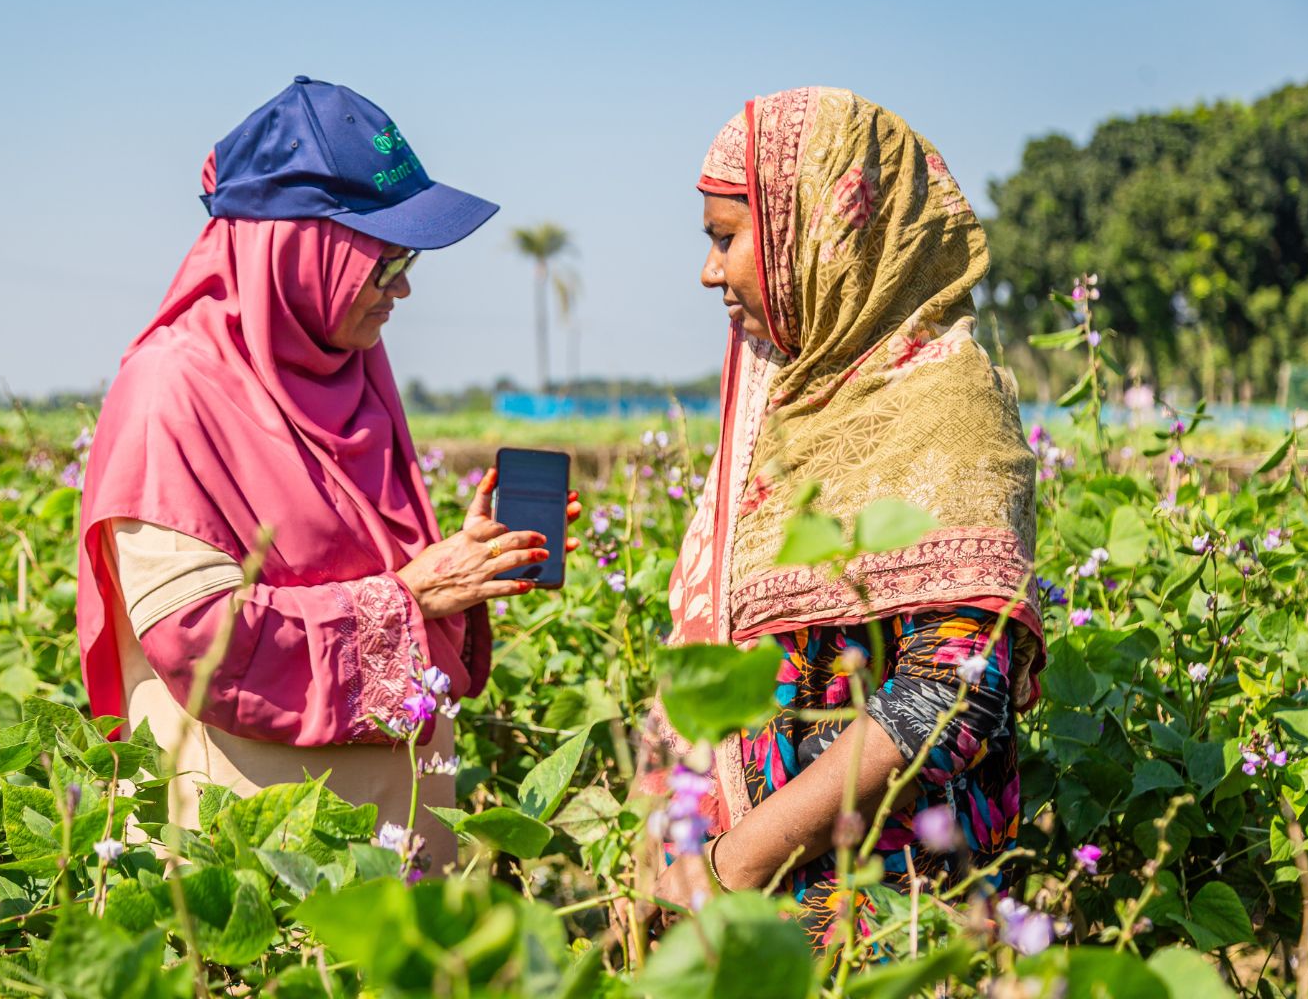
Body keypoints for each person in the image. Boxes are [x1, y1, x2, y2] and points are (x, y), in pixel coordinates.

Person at [75, 77, 579, 874]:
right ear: (298, 250)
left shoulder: (352, 372)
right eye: (386, 261)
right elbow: (198, 636)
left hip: (394, 843)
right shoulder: (171, 388)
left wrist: (463, 567)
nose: (403, 287)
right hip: (256, 869)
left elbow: (383, 578)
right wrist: (414, 599)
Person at [648, 87, 1044, 942]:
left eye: (725, 239)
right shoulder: (786, 407)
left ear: (816, 238)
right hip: (750, 911)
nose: (709, 272)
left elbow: (951, 695)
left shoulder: (946, 409)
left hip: (892, 920)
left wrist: (740, 861)